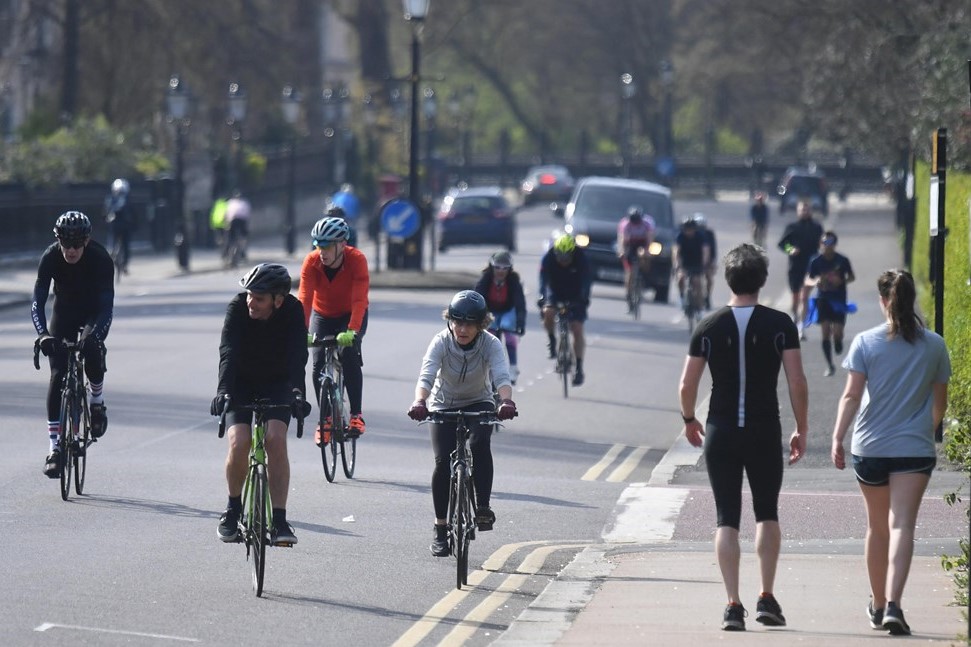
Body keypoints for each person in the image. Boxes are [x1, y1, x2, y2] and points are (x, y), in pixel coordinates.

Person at [679, 243, 808, 631]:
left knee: (726, 518)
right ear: (762, 279)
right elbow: (797, 381)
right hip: (764, 428)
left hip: (720, 430)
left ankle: (732, 604)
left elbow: (688, 383)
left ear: (727, 278)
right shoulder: (780, 325)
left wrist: (689, 418)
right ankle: (766, 596)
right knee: (767, 512)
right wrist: (801, 427)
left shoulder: (708, 326)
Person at [831, 269, 950, 636]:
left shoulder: (866, 342)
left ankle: (878, 604)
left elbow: (852, 395)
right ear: (911, 299)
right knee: (902, 525)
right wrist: (922, 432)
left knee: (876, 526)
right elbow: (940, 404)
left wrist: (837, 438)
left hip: (870, 447)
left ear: (884, 301)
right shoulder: (934, 344)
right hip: (913, 448)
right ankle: (896, 604)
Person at [406, 290, 518, 556]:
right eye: (457, 322)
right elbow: (427, 375)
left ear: (481, 325)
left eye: (470, 324)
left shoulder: (491, 344)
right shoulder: (441, 342)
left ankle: (482, 507)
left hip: (479, 402)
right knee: (443, 461)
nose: (462, 329)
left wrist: (506, 402)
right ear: (450, 320)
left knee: (480, 443)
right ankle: (441, 529)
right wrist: (420, 402)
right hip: (442, 403)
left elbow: (501, 376)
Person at [212, 263, 310, 545]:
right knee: (238, 441)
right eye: (249, 295)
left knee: (276, 439)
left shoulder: (292, 310)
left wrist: (297, 393)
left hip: (278, 382)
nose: (251, 302)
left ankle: (279, 520)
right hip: (241, 382)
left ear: (278, 300)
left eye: (259, 298)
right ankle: (232, 508)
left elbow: (297, 356)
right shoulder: (238, 308)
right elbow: (227, 351)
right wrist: (223, 392)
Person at [32, 211, 114, 478]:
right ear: (58, 241)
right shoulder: (50, 257)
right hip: (64, 313)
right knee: (57, 374)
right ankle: (54, 448)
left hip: (93, 313)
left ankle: (97, 401)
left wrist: (95, 337)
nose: (70, 250)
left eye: (76, 244)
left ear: (86, 241)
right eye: (65, 244)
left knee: (91, 349)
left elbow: (106, 306)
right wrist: (43, 334)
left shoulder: (101, 258)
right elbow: (38, 299)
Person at [297, 216, 370, 444]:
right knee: (318, 363)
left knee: (349, 355)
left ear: (341, 244)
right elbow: (305, 298)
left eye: (327, 245)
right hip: (323, 314)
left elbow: (359, 299)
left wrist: (352, 331)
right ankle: (325, 420)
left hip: (350, 314)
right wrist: (301, 330)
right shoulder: (311, 262)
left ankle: (356, 416)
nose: (322, 251)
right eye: (318, 245)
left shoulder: (356, 259)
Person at [538, 234, 591, 387]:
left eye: (566, 258)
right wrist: (542, 296)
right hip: (556, 291)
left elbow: (587, 280)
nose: (563, 261)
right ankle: (551, 339)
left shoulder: (581, 258)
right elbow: (543, 278)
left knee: (577, 328)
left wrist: (584, 297)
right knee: (548, 312)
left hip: (575, 293)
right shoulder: (549, 257)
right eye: (560, 257)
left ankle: (579, 367)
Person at [805, 231, 855, 376]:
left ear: (835, 244)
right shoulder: (815, 261)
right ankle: (830, 365)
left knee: (837, 333)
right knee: (825, 331)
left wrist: (842, 281)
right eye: (825, 242)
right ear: (820, 244)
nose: (827, 246)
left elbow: (852, 277)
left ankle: (838, 341)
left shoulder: (842, 260)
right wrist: (815, 282)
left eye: (831, 243)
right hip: (823, 299)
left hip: (839, 299)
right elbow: (807, 279)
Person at [474, 251, 527, 384]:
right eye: (497, 267)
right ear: (492, 267)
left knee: (508, 332)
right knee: (489, 335)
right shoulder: (486, 278)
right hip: (490, 311)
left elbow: (520, 303)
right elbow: (477, 298)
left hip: (507, 310)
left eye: (505, 268)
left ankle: (513, 367)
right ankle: (485, 368)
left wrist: (520, 323)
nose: (501, 271)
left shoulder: (513, 280)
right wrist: (476, 319)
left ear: (510, 269)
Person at [777, 200, 824, 339]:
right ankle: (795, 318)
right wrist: (791, 250)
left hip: (810, 268)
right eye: (802, 209)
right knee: (796, 298)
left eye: (807, 209)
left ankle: (801, 328)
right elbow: (782, 244)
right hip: (795, 267)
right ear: (798, 211)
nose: (805, 212)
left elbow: (822, 244)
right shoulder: (792, 227)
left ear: (811, 211)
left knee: (804, 297)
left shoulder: (817, 227)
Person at [616, 205, 655, 310]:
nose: (635, 222)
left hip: (642, 244)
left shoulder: (647, 224)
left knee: (644, 255)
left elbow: (649, 239)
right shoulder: (625, 224)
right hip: (630, 245)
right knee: (629, 272)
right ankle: (628, 294)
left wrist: (648, 251)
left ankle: (642, 275)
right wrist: (622, 251)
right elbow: (621, 239)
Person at [673, 216, 710, 310]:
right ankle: (681, 297)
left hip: (697, 261)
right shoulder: (680, 236)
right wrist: (676, 263)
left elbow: (705, 250)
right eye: (686, 229)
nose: (688, 231)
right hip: (685, 261)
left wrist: (704, 264)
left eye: (690, 229)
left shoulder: (700, 236)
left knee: (697, 283)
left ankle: (699, 307)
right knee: (680, 278)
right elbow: (676, 251)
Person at [104, 178, 134, 274]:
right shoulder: (126, 199)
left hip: (117, 225)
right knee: (125, 245)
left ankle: (113, 253)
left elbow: (106, 212)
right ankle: (123, 262)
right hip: (122, 226)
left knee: (115, 240)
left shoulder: (111, 199)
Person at [694, 213, 717, 309]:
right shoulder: (692, 234)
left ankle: (707, 296)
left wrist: (712, 262)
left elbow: (713, 249)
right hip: (694, 259)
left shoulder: (709, 234)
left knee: (709, 277)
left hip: (707, 259)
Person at [223, 191, 251, 262]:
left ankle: (238, 252)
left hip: (235, 222)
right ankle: (238, 253)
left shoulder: (231, 202)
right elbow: (247, 214)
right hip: (237, 222)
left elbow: (226, 214)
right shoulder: (244, 203)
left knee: (234, 239)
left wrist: (226, 222)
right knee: (239, 238)